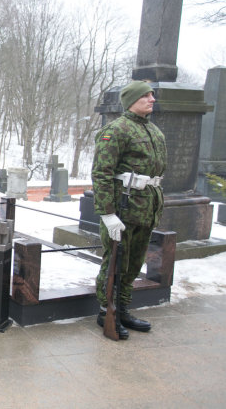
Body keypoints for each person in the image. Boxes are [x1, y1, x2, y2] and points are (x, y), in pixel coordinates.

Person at [91, 80, 167, 339]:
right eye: (145, 96)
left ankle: (123, 309)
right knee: (115, 263)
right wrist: (107, 213)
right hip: (122, 208)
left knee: (134, 262)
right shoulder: (116, 130)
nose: (152, 99)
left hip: (146, 208)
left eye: (152, 95)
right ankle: (106, 311)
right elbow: (101, 173)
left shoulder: (154, 132)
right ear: (131, 100)